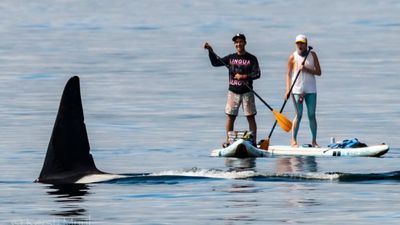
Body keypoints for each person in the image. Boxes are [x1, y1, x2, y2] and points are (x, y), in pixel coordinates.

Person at [203, 34, 261, 147]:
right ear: (234, 44)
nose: (238, 44)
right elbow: (215, 63)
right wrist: (210, 51)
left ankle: (253, 142)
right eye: (236, 42)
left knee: (250, 116)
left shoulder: (252, 58)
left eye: (241, 42)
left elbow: (257, 74)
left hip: (247, 92)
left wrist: (244, 77)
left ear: (245, 43)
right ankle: (229, 141)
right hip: (233, 92)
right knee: (230, 116)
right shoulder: (231, 58)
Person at [285, 34, 321, 147]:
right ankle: (293, 141)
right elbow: (288, 74)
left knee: (311, 115)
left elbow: (319, 72)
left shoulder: (312, 55)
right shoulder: (292, 57)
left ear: (306, 44)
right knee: (298, 115)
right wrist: (287, 89)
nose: (300, 45)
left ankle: (314, 141)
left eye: (302, 43)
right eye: (298, 43)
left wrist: (306, 69)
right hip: (297, 89)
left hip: (311, 89)